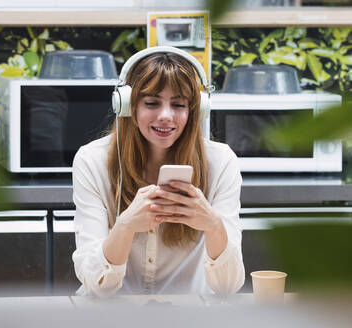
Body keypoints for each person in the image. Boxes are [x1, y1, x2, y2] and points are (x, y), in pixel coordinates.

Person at [71, 47, 245, 298]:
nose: (166, 116)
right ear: (127, 106)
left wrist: (213, 224)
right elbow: (97, 286)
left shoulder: (221, 162)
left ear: (195, 110)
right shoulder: (92, 161)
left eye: (178, 104)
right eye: (152, 103)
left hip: (190, 317)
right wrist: (126, 226)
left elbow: (228, 287)